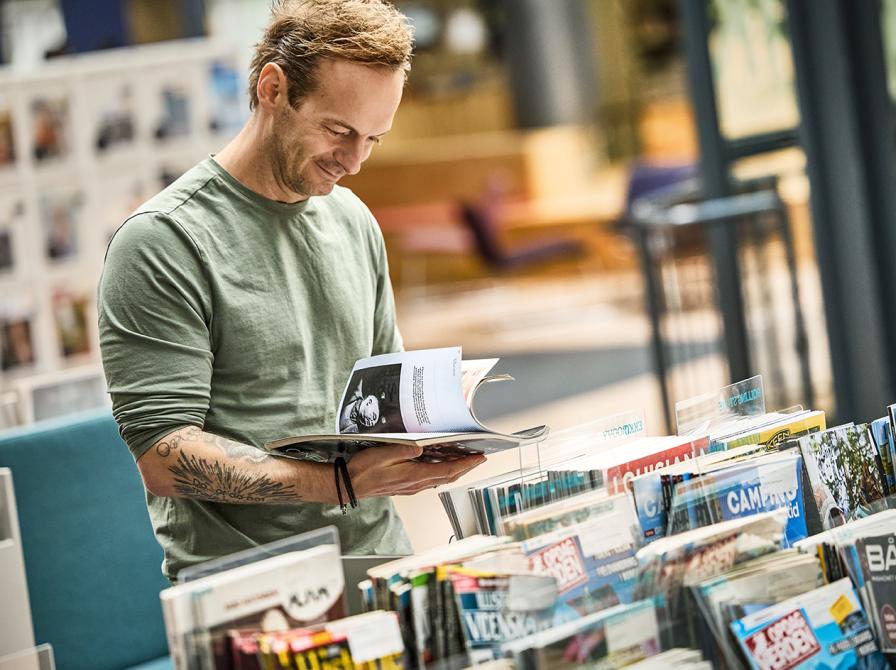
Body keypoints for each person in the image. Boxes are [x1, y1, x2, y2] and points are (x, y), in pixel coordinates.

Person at [98, 0, 486, 582]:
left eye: (373, 139)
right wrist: (340, 483)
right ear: (272, 89)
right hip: (248, 586)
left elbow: (382, 390)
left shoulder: (352, 219)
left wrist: (430, 430)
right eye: (338, 130)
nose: (354, 161)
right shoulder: (163, 243)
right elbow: (163, 456)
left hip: (380, 561)